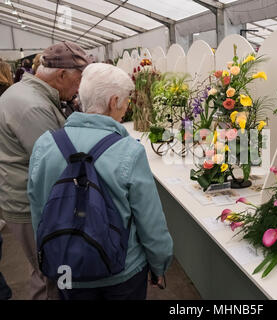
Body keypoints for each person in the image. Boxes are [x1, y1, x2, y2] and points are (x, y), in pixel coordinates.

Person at [28, 63, 173, 300]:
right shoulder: (129, 151)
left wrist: (50, 254)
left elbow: (39, 211)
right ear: (114, 101)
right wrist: (159, 264)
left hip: (67, 269)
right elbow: (151, 222)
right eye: (126, 101)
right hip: (121, 272)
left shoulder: (45, 144)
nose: (126, 108)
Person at [0, 41, 89, 300]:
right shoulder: (34, 107)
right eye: (79, 79)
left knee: (41, 268)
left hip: (21, 197)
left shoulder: (27, 93)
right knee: (53, 270)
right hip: (30, 205)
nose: (79, 88)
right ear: (62, 75)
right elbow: (58, 165)